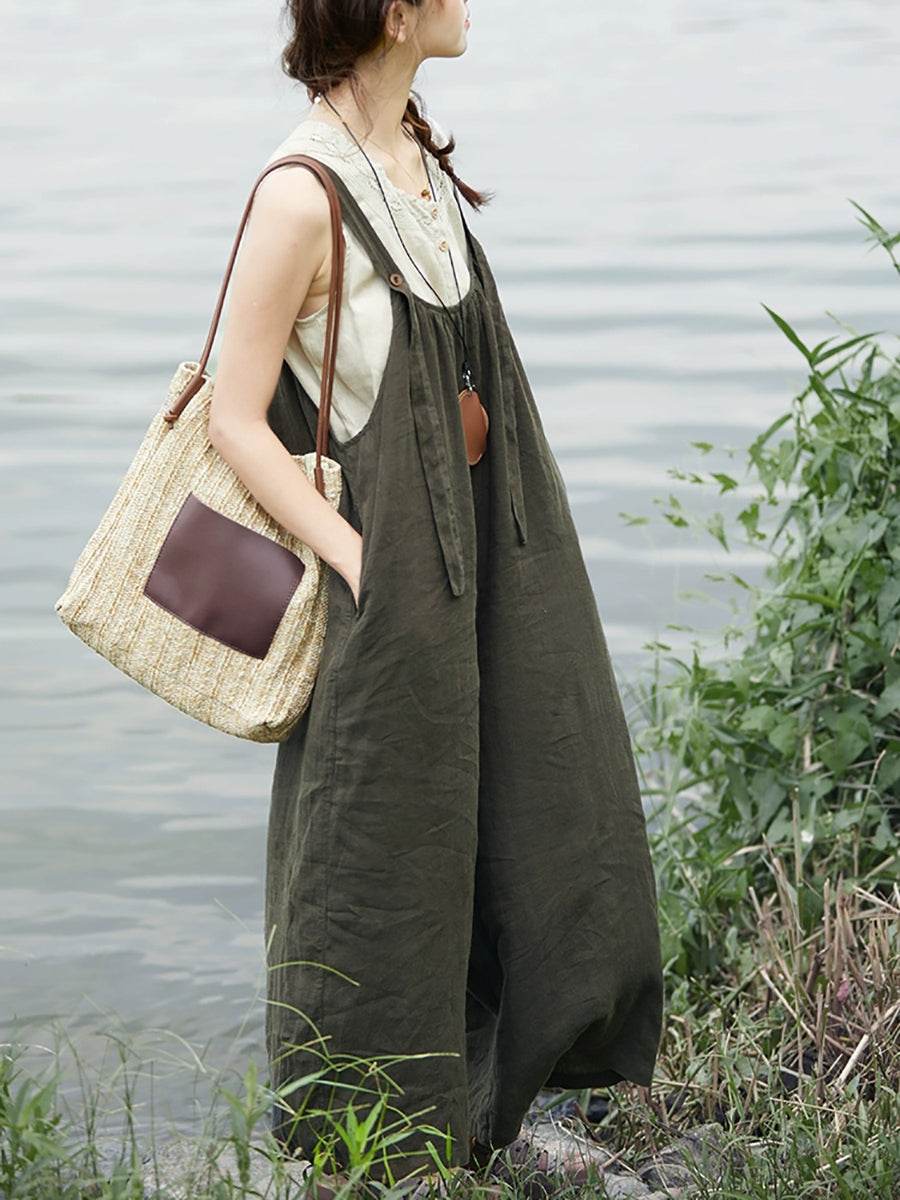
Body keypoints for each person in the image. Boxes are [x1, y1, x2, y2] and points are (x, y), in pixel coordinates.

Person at [206, 0, 663, 1186]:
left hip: (484, 558)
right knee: (375, 847)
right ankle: (367, 1145)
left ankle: (480, 1112)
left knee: (521, 805)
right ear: (392, 11)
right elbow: (232, 416)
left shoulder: (414, 147)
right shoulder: (300, 193)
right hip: (387, 576)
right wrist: (355, 560)